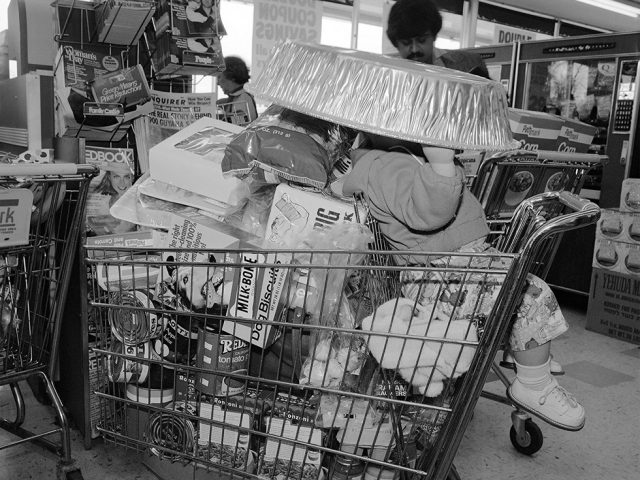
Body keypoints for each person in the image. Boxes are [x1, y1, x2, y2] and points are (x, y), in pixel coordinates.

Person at [342, 140, 585, 431]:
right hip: (438, 275)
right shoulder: (386, 164)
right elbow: (430, 214)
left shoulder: (400, 156)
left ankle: (528, 350)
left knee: (522, 295)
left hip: (459, 265)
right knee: (530, 295)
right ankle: (535, 384)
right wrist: (442, 165)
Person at [386, 0, 490, 78]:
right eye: (406, 43)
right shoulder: (388, 76)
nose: (414, 49)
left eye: (422, 40)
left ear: (434, 35)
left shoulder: (469, 64)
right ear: (396, 44)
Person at [216, 56, 258, 125]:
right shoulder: (237, 98)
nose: (217, 83)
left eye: (219, 77)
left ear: (231, 76)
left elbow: (239, 125)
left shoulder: (243, 99)